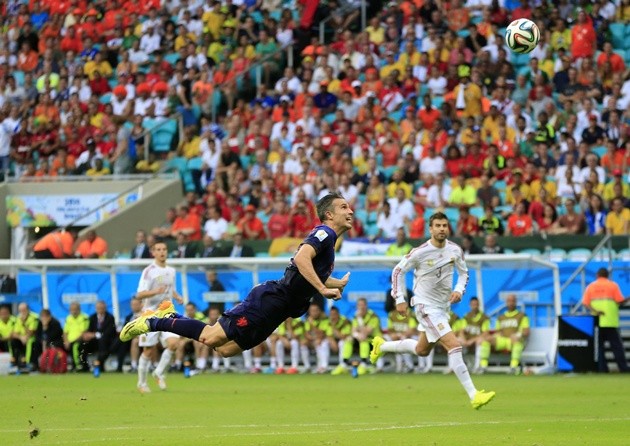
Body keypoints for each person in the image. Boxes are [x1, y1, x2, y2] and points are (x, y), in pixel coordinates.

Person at [120, 193, 353, 375]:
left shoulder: (329, 246)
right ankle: (156, 321)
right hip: (270, 300)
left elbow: (307, 273)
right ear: (329, 215)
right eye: (343, 207)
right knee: (210, 337)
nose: (350, 210)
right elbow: (301, 258)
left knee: (224, 350)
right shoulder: (325, 233)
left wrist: (333, 284)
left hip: (279, 312)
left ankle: (172, 316)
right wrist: (323, 289)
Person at [370, 212, 495, 409]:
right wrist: (400, 298)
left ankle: (382, 346)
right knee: (454, 346)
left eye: (445, 225)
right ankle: (474, 395)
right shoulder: (419, 252)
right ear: (430, 229)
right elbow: (398, 271)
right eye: (437, 225)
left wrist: (458, 290)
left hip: (442, 307)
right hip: (424, 306)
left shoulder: (455, 250)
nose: (442, 229)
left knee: (421, 350)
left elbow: (464, 274)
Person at [134, 241, 184, 393]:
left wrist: (177, 296)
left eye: (164, 249)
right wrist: (155, 292)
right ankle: (142, 383)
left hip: (166, 312)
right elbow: (139, 294)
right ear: (153, 253)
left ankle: (159, 372)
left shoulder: (171, 271)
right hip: (151, 314)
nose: (162, 252)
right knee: (148, 351)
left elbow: (170, 289)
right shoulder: (149, 271)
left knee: (174, 343)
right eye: (158, 250)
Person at [582, 268, 629, 373]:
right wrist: (628, 299)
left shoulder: (590, 286)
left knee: (599, 347)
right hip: (610, 321)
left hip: (597, 321)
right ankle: (623, 368)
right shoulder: (613, 285)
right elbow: (620, 301)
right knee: (617, 347)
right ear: (607, 275)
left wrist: (596, 311)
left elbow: (585, 303)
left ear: (597, 275)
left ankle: (602, 369)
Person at [478, 294, 530, 374]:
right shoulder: (501, 317)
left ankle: (514, 367)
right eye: (509, 301)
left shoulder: (522, 316)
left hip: (514, 341)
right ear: (506, 302)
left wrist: (518, 335)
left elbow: (526, 331)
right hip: (503, 340)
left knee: (517, 342)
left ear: (516, 302)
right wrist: (493, 337)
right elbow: (498, 332)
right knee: (486, 341)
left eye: (513, 301)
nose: (511, 303)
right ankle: (483, 366)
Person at [456, 297, 490, 373]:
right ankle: (456, 367)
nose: (474, 306)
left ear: (479, 305)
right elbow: (461, 331)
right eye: (473, 304)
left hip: (476, 339)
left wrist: (472, 341)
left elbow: (485, 333)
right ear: (470, 305)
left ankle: (477, 367)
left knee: (481, 341)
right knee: (456, 341)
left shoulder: (484, 317)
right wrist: (464, 340)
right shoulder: (466, 316)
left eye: (476, 304)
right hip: (467, 340)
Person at [80, 300, 116, 372]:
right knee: (82, 344)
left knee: (103, 342)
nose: (100, 310)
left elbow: (109, 332)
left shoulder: (110, 318)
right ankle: (84, 367)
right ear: (96, 308)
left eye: (102, 308)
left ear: (105, 308)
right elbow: (90, 330)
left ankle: (100, 365)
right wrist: (87, 335)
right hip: (94, 341)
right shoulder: (92, 317)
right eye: (98, 308)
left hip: (106, 341)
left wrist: (95, 334)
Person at [63, 302, 90, 372]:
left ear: (79, 309)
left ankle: (78, 366)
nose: (73, 311)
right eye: (72, 310)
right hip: (69, 341)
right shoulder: (68, 318)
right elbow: (65, 332)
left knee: (75, 346)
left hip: (80, 340)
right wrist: (66, 341)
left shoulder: (84, 317)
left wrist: (71, 342)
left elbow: (83, 332)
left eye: (75, 309)